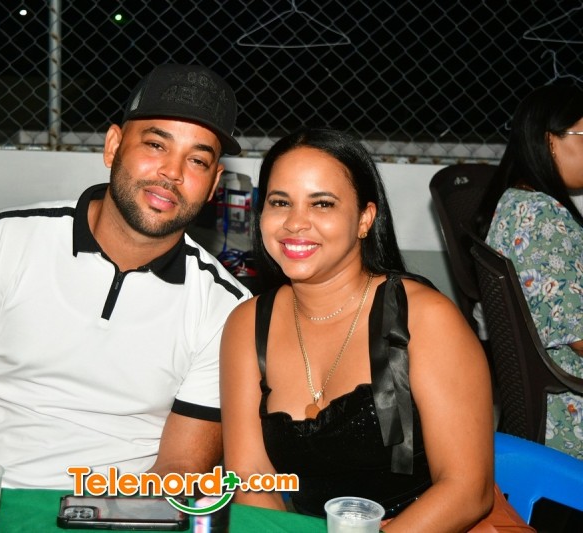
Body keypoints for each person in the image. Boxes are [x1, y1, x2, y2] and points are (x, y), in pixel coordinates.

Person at [0, 63, 252, 492]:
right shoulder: (1, 240)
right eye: (156, 145)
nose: (172, 172)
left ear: (214, 183)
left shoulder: (226, 308)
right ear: (113, 146)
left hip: (120, 512)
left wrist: (118, 517)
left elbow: (182, 464)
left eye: (197, 159)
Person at [220, 128, 532, 531]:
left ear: (365, 219)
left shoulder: (425, 318)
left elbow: (465, 490)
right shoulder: (246, 325)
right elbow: (252, 479)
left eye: (322, 204)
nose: (295, 223)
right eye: (280, 202)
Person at [477, 84, 583, 460]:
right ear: (550, 141)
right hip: (568, 409)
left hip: (537, 398)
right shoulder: (546, 220)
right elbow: (579, 338)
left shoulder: (515, 200)